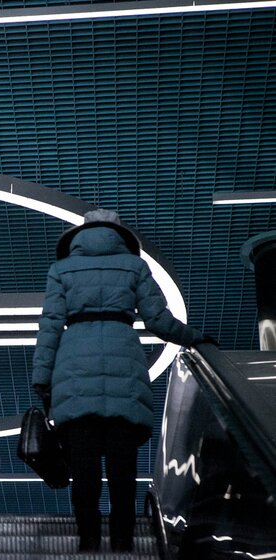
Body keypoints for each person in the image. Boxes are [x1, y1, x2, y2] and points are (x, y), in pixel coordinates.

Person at [31, 209, 210, 552]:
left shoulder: (61, 270)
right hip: (124, 365)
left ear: (80, 236)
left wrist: (41, 378)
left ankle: (88, 540)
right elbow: (158, 320)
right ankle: (124, 541)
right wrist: (196, 338)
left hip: (74, 370)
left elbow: (51, 326)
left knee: (83, 471)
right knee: (122, 470)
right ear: (119, 235)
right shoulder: (134, 267)